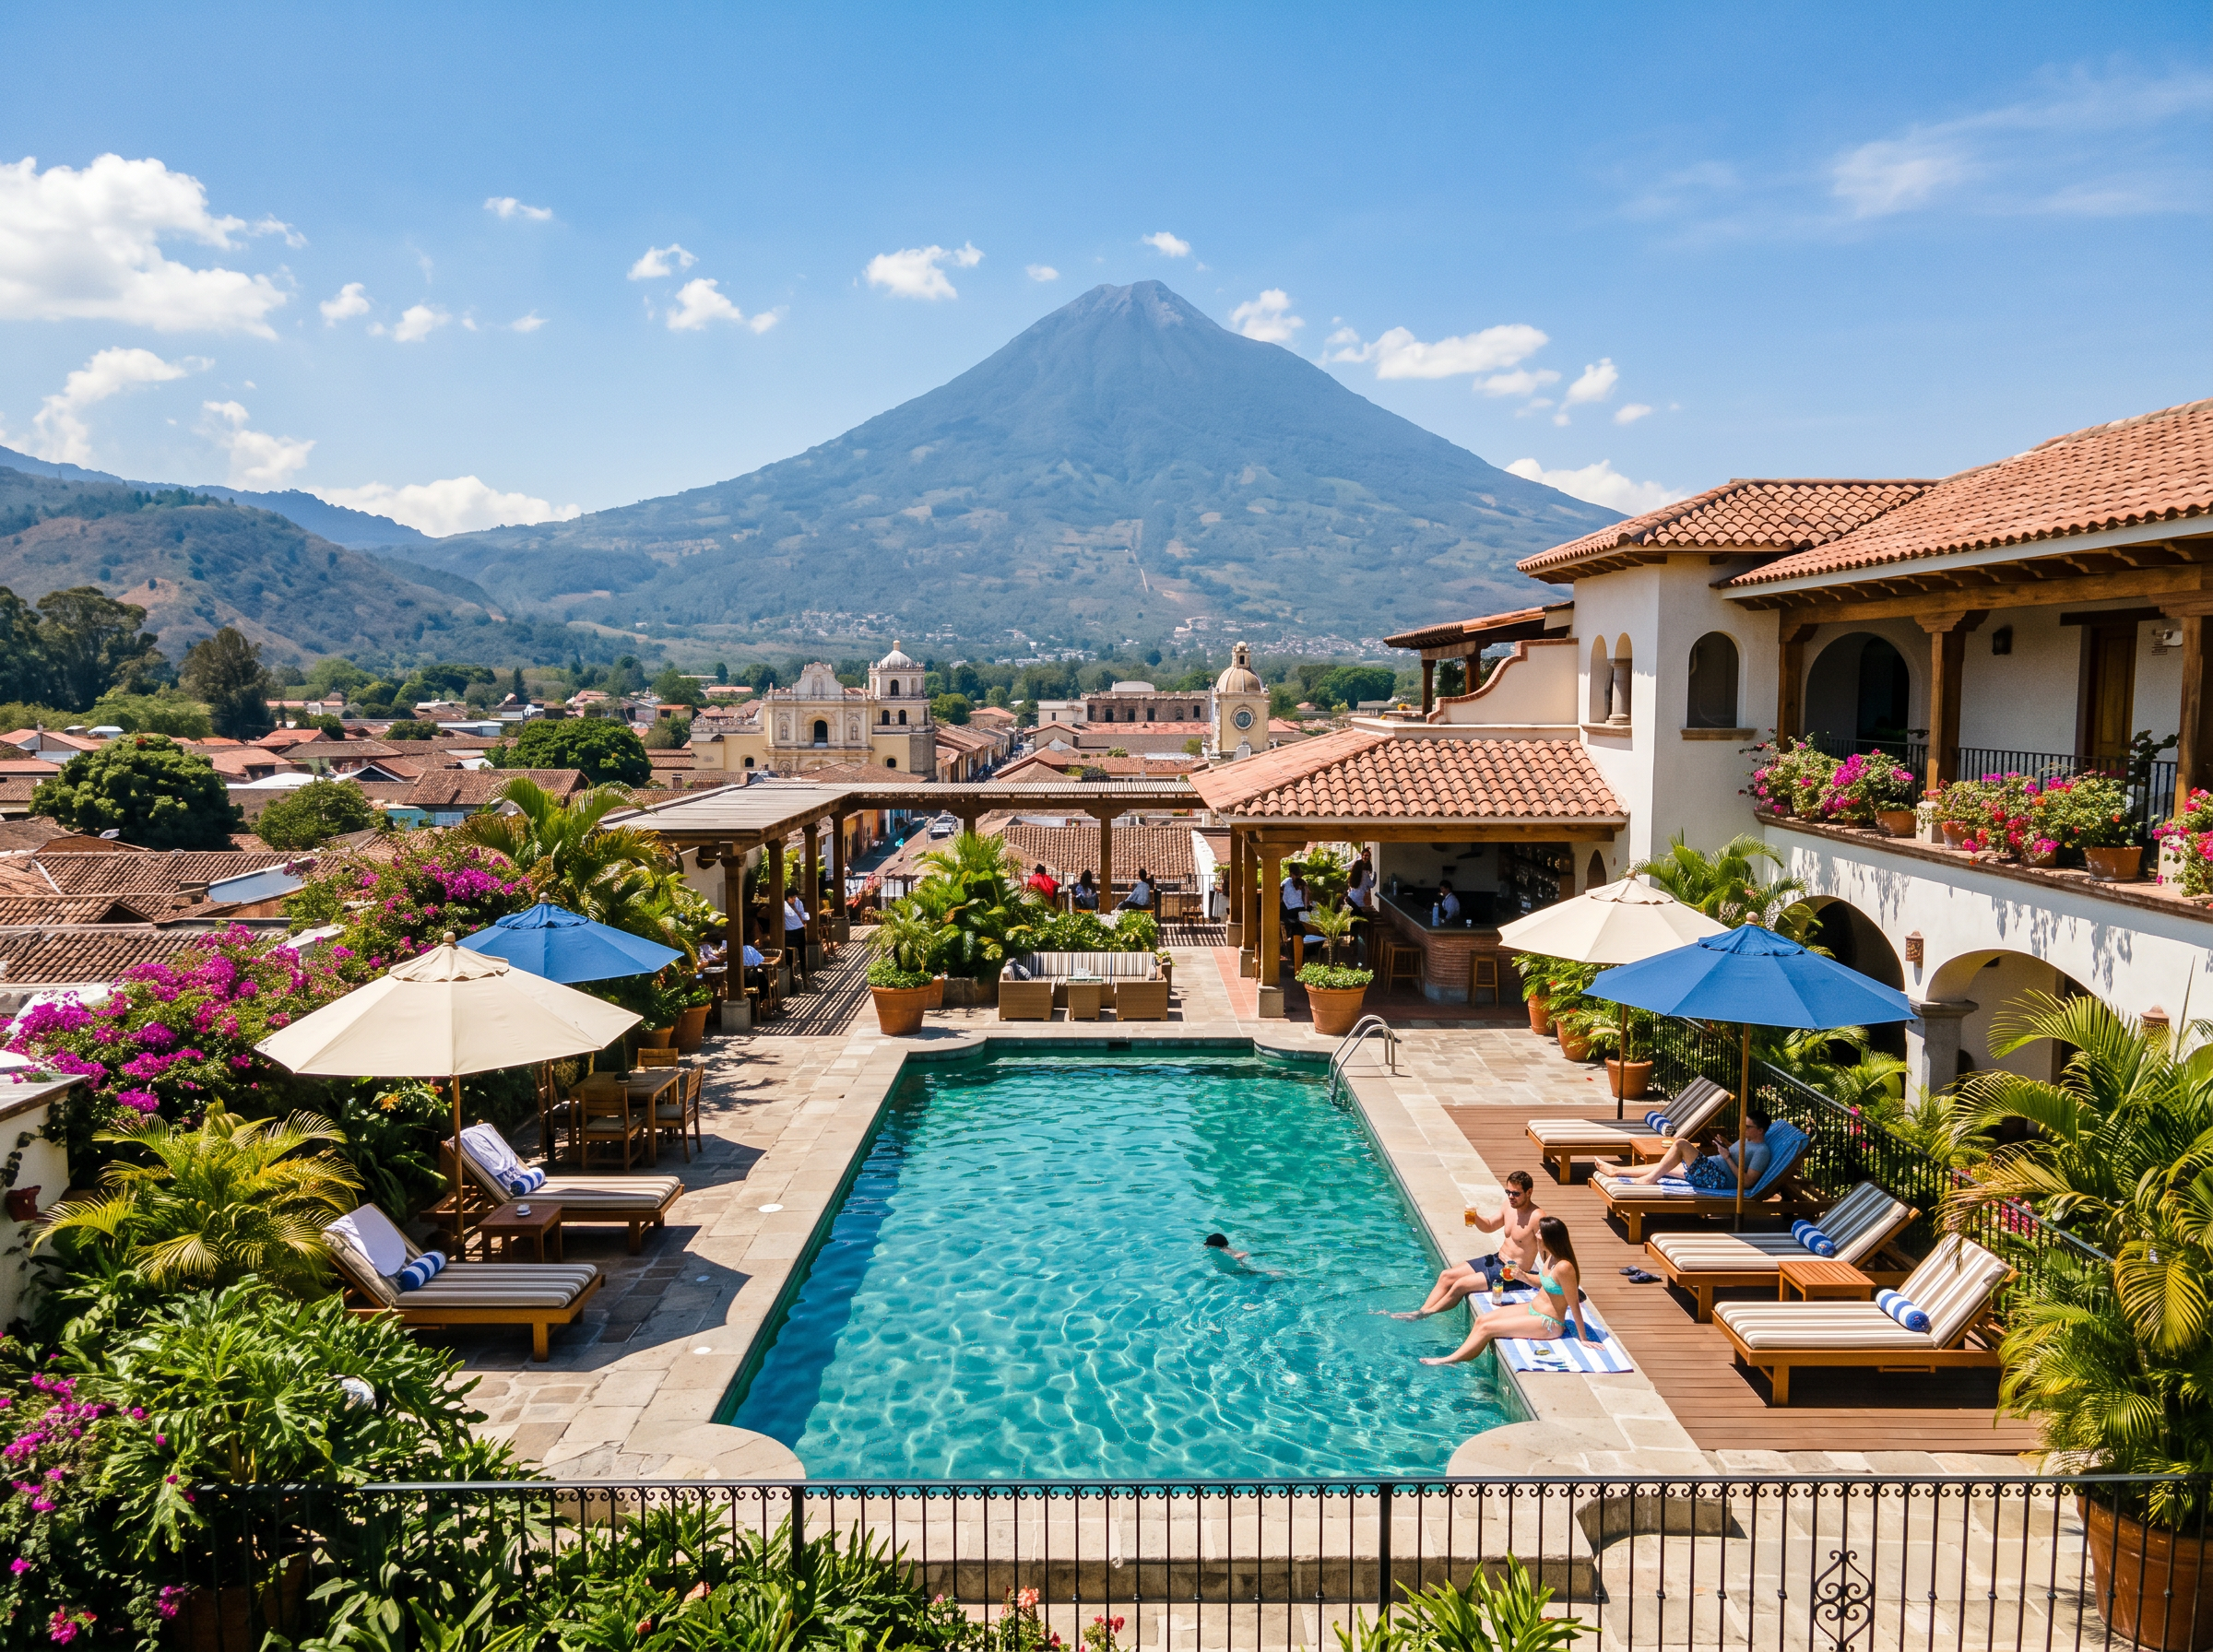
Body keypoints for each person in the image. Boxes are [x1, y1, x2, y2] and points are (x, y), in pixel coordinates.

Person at [1421, 1216, 1595, 1365]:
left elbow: (1574, 1303)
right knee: (1482, 1320)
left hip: (1549, 1322)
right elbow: (1545, 1282)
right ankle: (1458, 1354)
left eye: (1540, 1232)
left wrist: (1583, 1338)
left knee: (1487, 1328)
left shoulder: (1564, 1267)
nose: (1536, 1234)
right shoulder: (1551, 1257)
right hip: (1532, 1309)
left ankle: (1449, 1360)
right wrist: (1523, 1276)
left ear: (1550, 1238)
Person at [1393, 1171, 1543, 1318]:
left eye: (1516, 1193)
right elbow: (1489, 1226)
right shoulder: (1509, 1206)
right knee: (1446, 1276)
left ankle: (1425, 1314)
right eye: (1508, 1192)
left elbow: (1547, 1253)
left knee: (1461, 1285)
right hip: (1497, 1259)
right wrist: (1475, 1217)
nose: (1510, 1197)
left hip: (1512, 1274)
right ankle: (1421, 1311)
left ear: (1529, 1192)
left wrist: (1543, 1279)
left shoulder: (1537, 1217)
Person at [1612, 1107, 1773, 1189]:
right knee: (1663, 1167)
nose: (1743, 1129)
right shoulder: (1747, 1140)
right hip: (1710, 1169)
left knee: (1681, 1144)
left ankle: (1649, 1180)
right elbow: (1739, 1158)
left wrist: (1727, 1157)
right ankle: (1617, 1170)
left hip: (1717, 1179)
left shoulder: (1762, 1151)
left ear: (1760, 1130)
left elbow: (1747, 1183)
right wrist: (1726, 1147)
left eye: (1748, 1127)